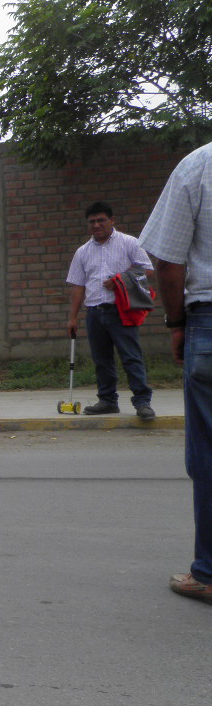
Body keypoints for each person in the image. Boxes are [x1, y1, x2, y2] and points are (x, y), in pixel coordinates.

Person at [139, 144, 212, 604]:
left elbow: (166, 261)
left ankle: (207, 572)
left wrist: (177, 322)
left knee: (208, 455)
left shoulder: (199, 164)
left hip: (207, 318)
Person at [65, 201, 156, 419]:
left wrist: (120, 280)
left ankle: (142, 402)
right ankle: (107, 400)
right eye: (92, 222)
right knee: (101, 360)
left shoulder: (129, 243)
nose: (96, 225)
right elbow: (78, 285)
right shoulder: (82, 252)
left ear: (112, 220)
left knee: (131, 357)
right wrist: (72, 318)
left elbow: (147, 270)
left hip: (121, 310)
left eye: (101, 220)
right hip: (94, 312)